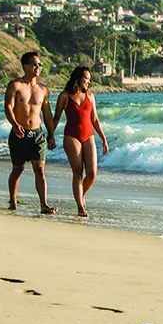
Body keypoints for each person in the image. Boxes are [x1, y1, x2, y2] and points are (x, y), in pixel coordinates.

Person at [3, 51, 58, 213]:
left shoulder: (43, 89)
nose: (38, 67)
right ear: (25, 66)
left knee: (40, 169)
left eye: (40, 64)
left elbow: (47, 114)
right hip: (19, 134)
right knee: (18, 169)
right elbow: (8, 107)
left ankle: (44, 204)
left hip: (37, 134)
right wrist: (14, 124)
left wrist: (51, 134)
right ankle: (13, 201)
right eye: (35, 64)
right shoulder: (15, 85)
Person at [53, 66, 109, 217]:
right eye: (86, 79)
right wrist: (50, 135)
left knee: (92, 174)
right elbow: (56, 118)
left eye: (90, 80)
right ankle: (80, 206)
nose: (88, 82)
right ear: (78, 78)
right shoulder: (65, 96)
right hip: (71, 136)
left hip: (89, 136)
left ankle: (81, 195)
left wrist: (103, 139)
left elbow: (95, 120)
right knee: (78, 172)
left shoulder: (90, 96)